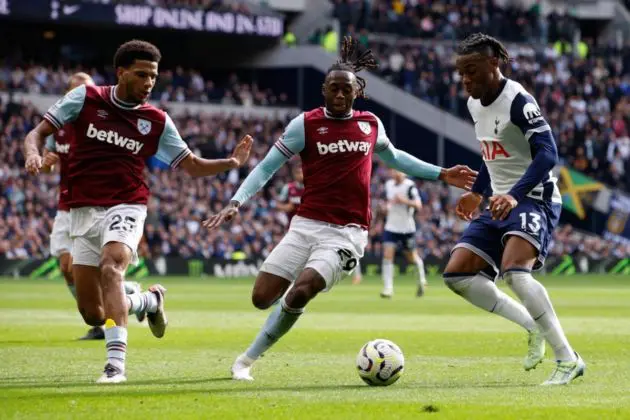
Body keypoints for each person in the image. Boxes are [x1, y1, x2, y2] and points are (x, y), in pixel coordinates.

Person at [203, 37, 477, 381]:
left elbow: (396, 158)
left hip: (348, 233)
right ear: (323, 89)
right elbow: (266, 167)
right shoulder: (305, 125)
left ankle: (246, 360)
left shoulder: (370, 124)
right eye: (333, 88)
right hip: (305, 226)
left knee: (303, 289)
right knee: (261, 298)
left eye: (345, 89)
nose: (339, 94)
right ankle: (281, 316)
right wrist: (235, 202)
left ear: (356, 91)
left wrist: (441, 173)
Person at [24, 39, 253, 383]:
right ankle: (149, 300)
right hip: (82, 211)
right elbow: (37, 133)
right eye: (142, 74)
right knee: (93, 313)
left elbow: (191, 165)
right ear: (121, 72)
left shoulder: (156, 120)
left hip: (127, 203)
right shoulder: (86, 98)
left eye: (154, 77)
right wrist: (33, 153)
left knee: (112, 268)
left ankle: (115, 366)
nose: (148, 83)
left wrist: (231, 162)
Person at [443, 33, 585, 386]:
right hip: (499, 201)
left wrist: (515, 195)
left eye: (472, 71)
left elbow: (548, 154)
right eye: (461, 73)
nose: (466, 80)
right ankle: (530, 325)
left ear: (495, 64)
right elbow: (493, 153)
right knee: (457, 274)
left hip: (533, 198)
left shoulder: (518, 101)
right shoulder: (475, 104)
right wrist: (478, 193)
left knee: (515, 273)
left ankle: (568, 359)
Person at [41, 72, 144, 341]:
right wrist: (46, 161)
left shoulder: (102, 124)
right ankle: (126, 292)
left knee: (93, 267)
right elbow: (47, 159)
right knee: (66, 269)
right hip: (68, 206)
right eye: (75, 90)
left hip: (99, 205)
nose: (81, 95)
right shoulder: (59, 127)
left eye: (86, 90)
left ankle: (109, 315)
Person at [380, 169, 427, 298]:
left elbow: (418, 205)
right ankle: (388, 289)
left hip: (406, 228)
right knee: (387, 255)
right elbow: (387, 203)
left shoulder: (409, 186)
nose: (394, 174)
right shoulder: (388, 185)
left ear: (404, 173)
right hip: (391, 227)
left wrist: (404, 200)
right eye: (392, 171)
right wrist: (385, 208)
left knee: (412, 257)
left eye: (397, 171)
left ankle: (421, 282)